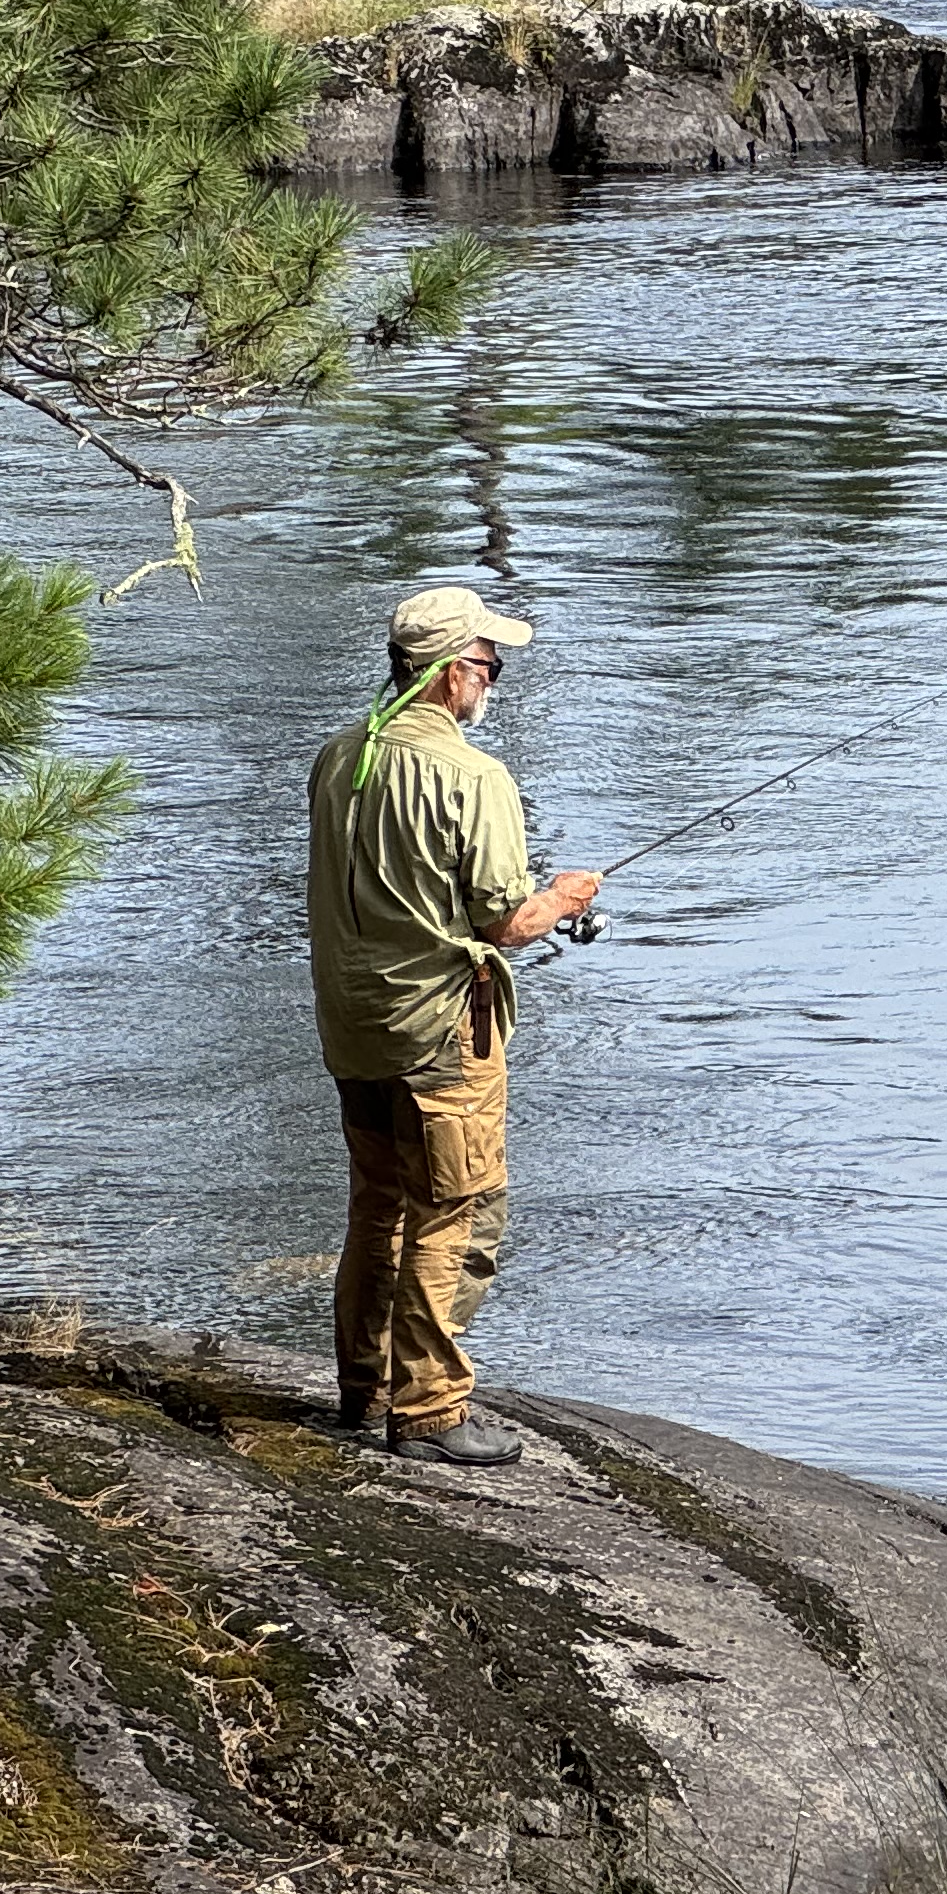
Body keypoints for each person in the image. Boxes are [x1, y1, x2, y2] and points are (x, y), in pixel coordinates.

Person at [304, 584, 603, 1465]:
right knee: (459, 1213)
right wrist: (565, 896)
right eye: (487, 664)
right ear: (445, 674)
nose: (494, 679)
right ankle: (430, 1410)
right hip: (441, 1033)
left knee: (379, 1205)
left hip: (354, 1026)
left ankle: (362, 1390)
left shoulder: (337, 755)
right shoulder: (475, 776)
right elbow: (505, 921)